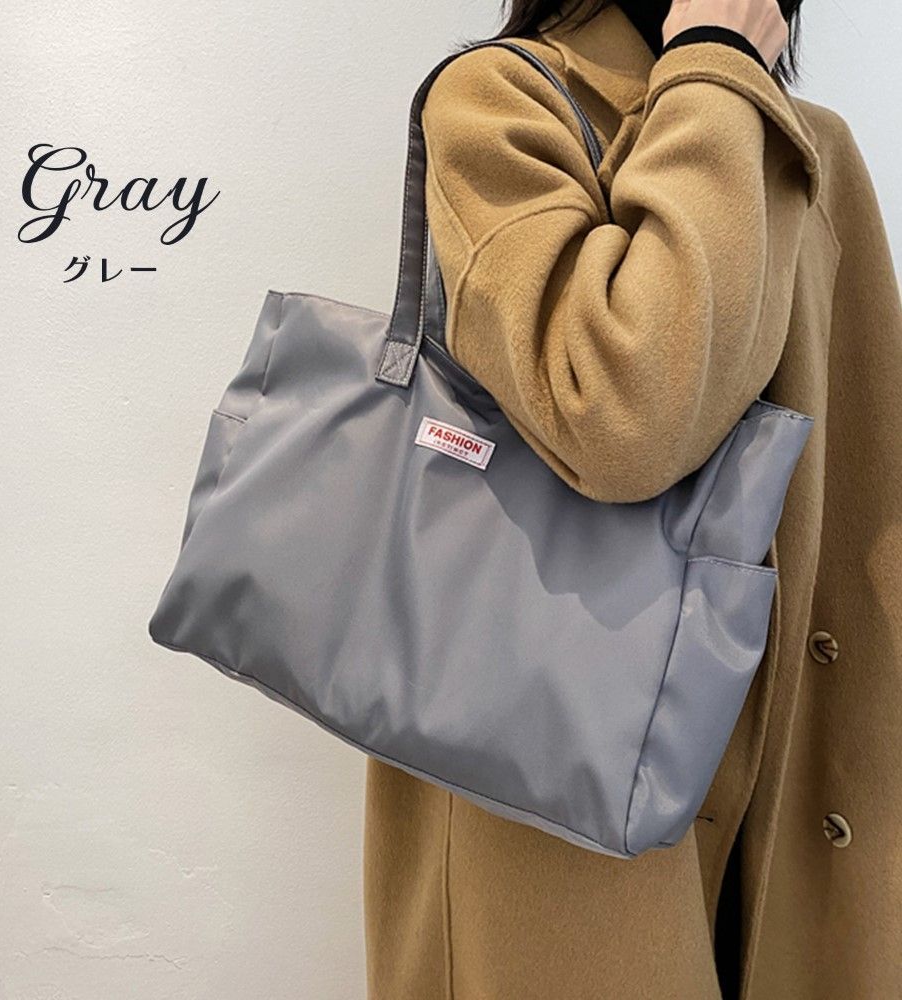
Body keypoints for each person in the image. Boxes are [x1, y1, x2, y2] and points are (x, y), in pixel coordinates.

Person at [363, 1, 902, 998]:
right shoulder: (501, 99)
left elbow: (871, 497)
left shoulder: (815, 149)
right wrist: (715, 64)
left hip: (795, 780)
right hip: (555, 785)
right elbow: (621, 418)